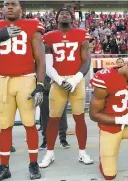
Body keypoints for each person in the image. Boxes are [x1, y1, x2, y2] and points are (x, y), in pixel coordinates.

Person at [0, 0, 45, 181]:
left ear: (21, 9)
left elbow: (40, 57)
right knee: (4, 125)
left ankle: (33, 163)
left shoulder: (32, 25)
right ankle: (4, 167)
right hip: (2, 80)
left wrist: (40, 83)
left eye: (13, 4)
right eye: (6, 4)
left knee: (29, 123)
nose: (9, 6)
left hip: (26, 79)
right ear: (1, 8)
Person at [39, 7, 93, 168]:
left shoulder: (81, 34)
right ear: (56, 18)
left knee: (79, 117)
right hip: (58, 80)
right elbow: (47, 63)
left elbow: (86, 61)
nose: (64, 15)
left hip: (76, 80)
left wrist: (76, 79)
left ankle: (82, 152)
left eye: (68, 13)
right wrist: (59, 80)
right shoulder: (49, 37)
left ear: (72, 18)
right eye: (61, 13)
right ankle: (49, 153)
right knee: (53, 118)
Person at [89, 54, 128, 180]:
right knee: (109, 175)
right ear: (126, 66)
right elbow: (93, 115)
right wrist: (120, 119)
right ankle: (104, 159)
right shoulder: (105, 78)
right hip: (110, 126)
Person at [39, 75, 70, 150]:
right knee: (45, 118)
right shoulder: (41, 64)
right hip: (45, 92)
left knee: (62, 116)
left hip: (60, 91)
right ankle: (46, 141)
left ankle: (63, 139)